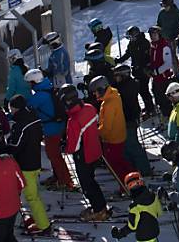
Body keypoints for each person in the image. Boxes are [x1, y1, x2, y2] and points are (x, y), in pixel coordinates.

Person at [63, 84, 111, 221]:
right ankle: (100, 206)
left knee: (87, 184)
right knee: (91, 180)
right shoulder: (89, 108)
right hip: (95, 149)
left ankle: (98, 210)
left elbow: (74, 144)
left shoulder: (74, 119)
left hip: (84, 155)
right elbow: (96, 122)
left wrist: (67, 148)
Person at [5, 95, 50, 234]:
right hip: (34, 160)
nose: (10, 111)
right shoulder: (33, 117)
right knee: (30, 193)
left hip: (26, 165)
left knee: (31, 196)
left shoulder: (21, 125)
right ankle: (35, 219)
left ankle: (43, 226)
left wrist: (4, 144)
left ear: (15, 108)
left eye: (10, 108)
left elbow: (15, 145)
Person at [24, 68, 75, 191]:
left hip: (51, 128)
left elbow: (27, 107)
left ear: (34, 82)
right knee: (53, 154)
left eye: (30, 82)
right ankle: (58, 176)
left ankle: (66, 181)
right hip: (57, 125)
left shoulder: (40, 95)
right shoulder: (48, 87)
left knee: (54, 155)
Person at [91, 75, 135, 191]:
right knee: (121, 160)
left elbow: (107, 127)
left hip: (112, 139)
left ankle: (125, 186)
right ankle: (134, 178)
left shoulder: (109, 103)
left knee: (114, 164)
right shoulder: (114, 95)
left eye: (95, 92)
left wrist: (97, 133)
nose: (94, 95)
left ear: (101, 89)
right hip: (119, 135)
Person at [112, 64, 153, 175]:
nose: (116, 79)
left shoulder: (127, 87)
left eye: (118, 76)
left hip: (129, 119)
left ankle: (145, 170)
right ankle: (133, 168)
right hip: (127, 118)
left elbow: (120, 94)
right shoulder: (126, 84)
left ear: (124, 76)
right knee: (126, 147)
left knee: (133, 146)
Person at [112, 172, 163, 242]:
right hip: (154, 232)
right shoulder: (153, 196)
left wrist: (119, 233)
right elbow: (159, 212)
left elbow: (132, 227)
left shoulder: (134, 207)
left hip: (143, 237)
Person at [150, 25, 178, 117]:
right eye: (151, 35)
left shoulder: (164, 46)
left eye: (155, 34)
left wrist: (157, 71)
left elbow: (168, 64)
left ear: (159, 34)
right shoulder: (153, 46)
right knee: (157, 96)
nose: (153, 36)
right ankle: (164, 115)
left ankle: (170, 116)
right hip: (156, 78)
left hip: (164, 78)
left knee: (165, 99)